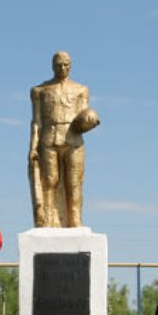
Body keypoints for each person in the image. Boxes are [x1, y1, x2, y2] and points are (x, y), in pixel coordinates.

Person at [28, 51, 99, 228]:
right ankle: (46, 221)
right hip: (48, 139)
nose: (62, 68)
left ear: (71, 66)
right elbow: (36, 122)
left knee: (74, 182)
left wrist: (89, 120)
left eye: (66, 64)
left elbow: (83, 114)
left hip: (73, 139)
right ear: (52, 66)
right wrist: (33, 146)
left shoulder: (81, 90)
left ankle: (75, 221)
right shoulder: (40, 91)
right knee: (49, 181)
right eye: (59, 64)